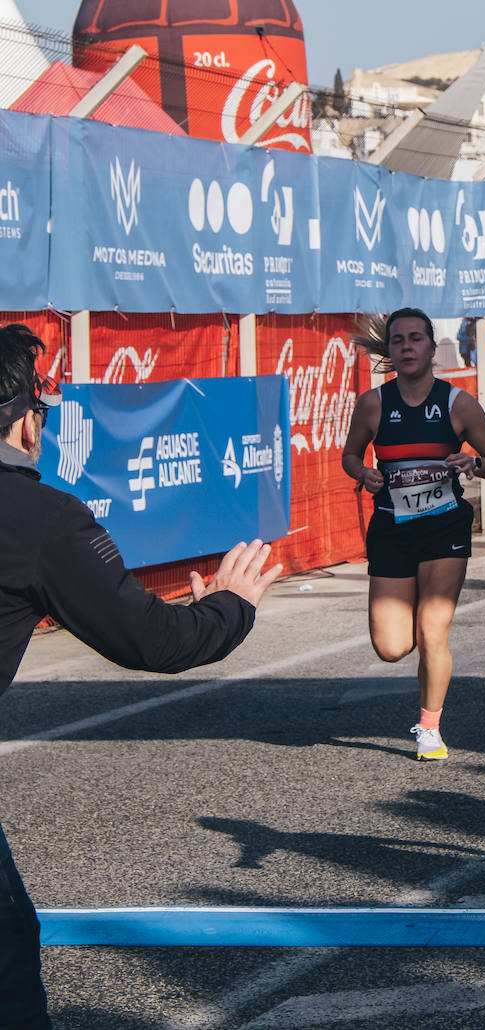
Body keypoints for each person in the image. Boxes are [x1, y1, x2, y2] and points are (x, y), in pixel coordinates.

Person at [0, 322, 283, 1030]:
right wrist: (230, 607)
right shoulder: (41, 518)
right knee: (7, 959)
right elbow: (154, 641)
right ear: (26, 423)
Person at [342, 308, 485, 760]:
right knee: (392, 646)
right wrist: (364, 473)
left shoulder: (459, 404)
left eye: (416, 339)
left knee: (433, 631)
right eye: (398, 340)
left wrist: (473, 464)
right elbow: (350, 456)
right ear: (391, 351)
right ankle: (416, 629)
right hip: (392, 530)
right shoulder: (373, 405)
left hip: (444, 528)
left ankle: (430, 728)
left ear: (432, 349)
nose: (407, 347)